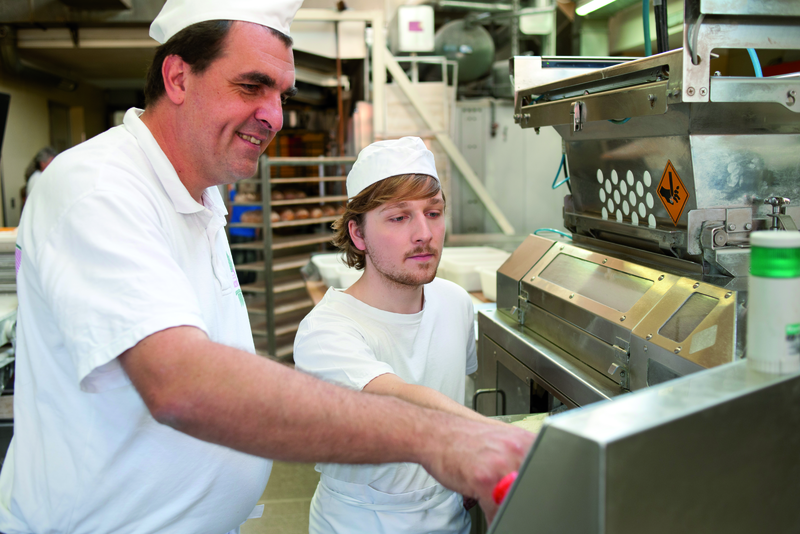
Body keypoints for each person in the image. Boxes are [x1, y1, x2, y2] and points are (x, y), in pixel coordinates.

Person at [0, 2, 535, 533]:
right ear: (178, 77)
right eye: (251, 86)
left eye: (281, 94)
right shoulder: (100, 187)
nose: (275, 116)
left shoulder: (200, 201)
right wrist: (440, 437)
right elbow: (182, 383)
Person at [294, 137, 509, 534]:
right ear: (358, 235)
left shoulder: (455, 302)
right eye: (399, 217)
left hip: (449, 517)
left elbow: (454, 385)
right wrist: (494, 441)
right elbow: (394, 398)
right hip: (360, 522)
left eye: (434, 212)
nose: (424, 233)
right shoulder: (326, 330)